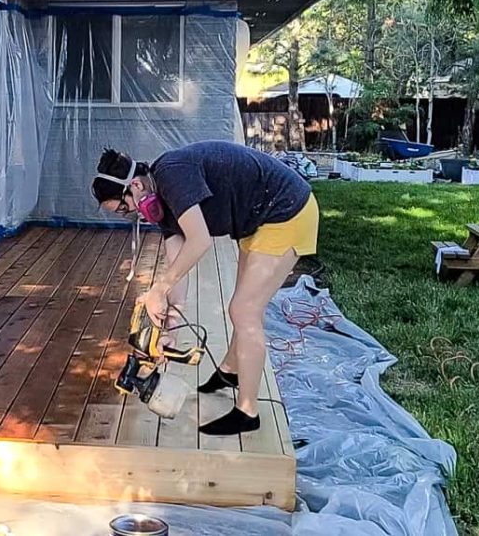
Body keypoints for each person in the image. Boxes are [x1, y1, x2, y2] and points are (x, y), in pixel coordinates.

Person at [91, 140, 319, 436]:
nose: (129, 213)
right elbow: (179, 268)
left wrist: (157, 290)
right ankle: (230, 372)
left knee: (244, 310)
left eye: (124, 207)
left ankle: (248, 412)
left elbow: (199, 241)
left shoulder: (172, 175)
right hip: (259, 220)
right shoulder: (161, 208)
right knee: (244, 307)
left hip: (286, 211)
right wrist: (169, 328)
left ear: (135, 185)